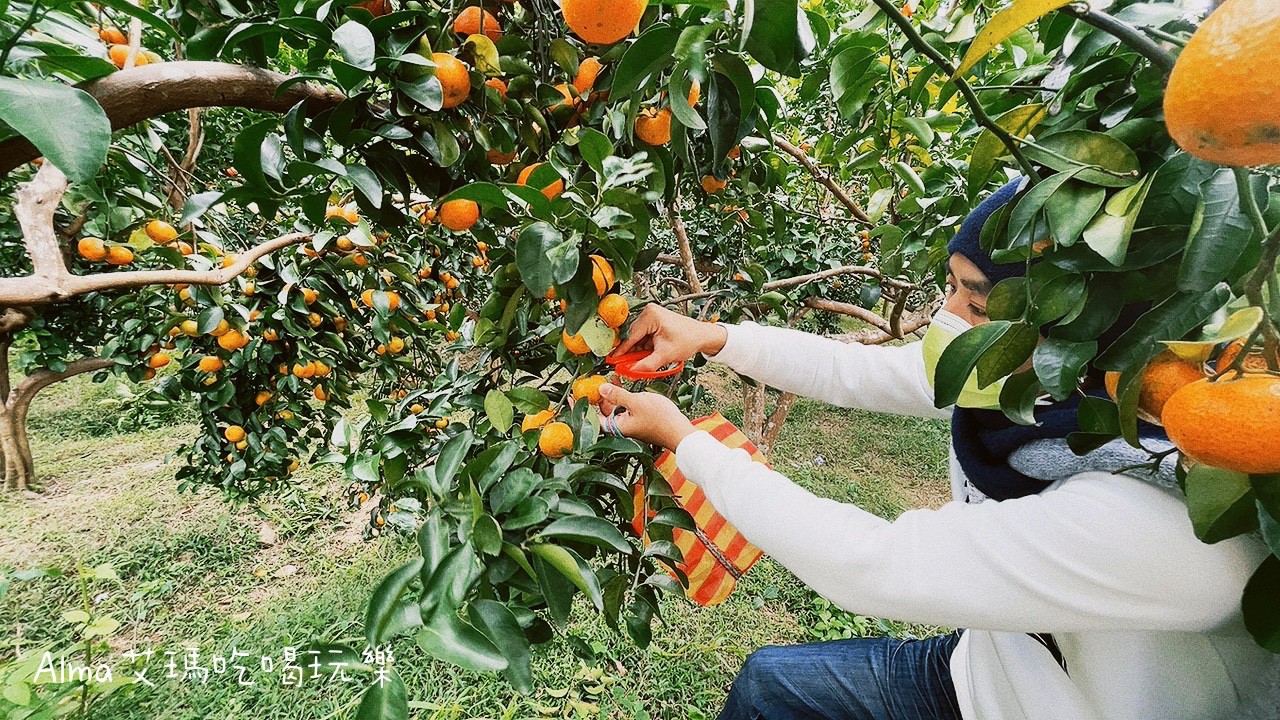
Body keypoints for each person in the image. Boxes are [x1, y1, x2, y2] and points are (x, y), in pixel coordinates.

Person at [596, 180, 1278, 720]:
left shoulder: (1167, 517)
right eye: (952, 286)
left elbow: (878, 564)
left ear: (1079, 327)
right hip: (979, 678)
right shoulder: (1037, 383)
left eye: (975, 304)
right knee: (771, 688)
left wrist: (685, 441)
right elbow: (872, 373)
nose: (948, 318)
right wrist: (714, 337)